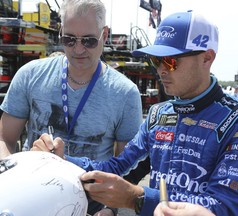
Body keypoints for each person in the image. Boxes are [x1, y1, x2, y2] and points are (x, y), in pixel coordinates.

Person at [32, 10, 238, 216]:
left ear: (207, 58)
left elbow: (224, 207)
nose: (161, 70)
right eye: (156, 60)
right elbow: (117, 167)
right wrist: (63, 161)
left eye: (170, 61)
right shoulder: (158, 115)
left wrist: (137, 199)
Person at [0, 0, 143, 215]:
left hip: (92, 205)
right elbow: (4, 139)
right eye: (69, 39)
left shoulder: (125, 94)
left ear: (104, 35)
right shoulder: (30, 75)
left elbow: (128, 167)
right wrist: (12, 178)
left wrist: (111, 210)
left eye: (88, 41)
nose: (78, 49)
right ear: (61, 32)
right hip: (31, 199)